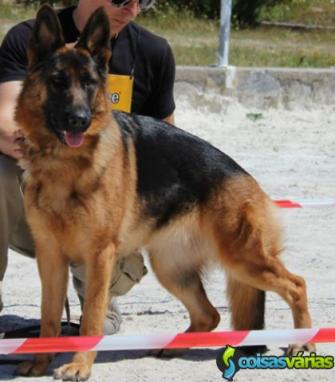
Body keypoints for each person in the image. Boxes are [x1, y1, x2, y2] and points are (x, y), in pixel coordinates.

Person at [0, 0, 175, 334]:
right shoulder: (27, 39)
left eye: (143, 1)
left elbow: (164, 151)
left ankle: (98, 301)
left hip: (107, 218)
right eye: (122, 0)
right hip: (36, 207)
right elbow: (5, 125)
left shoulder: (154, 52)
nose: (132, 10)